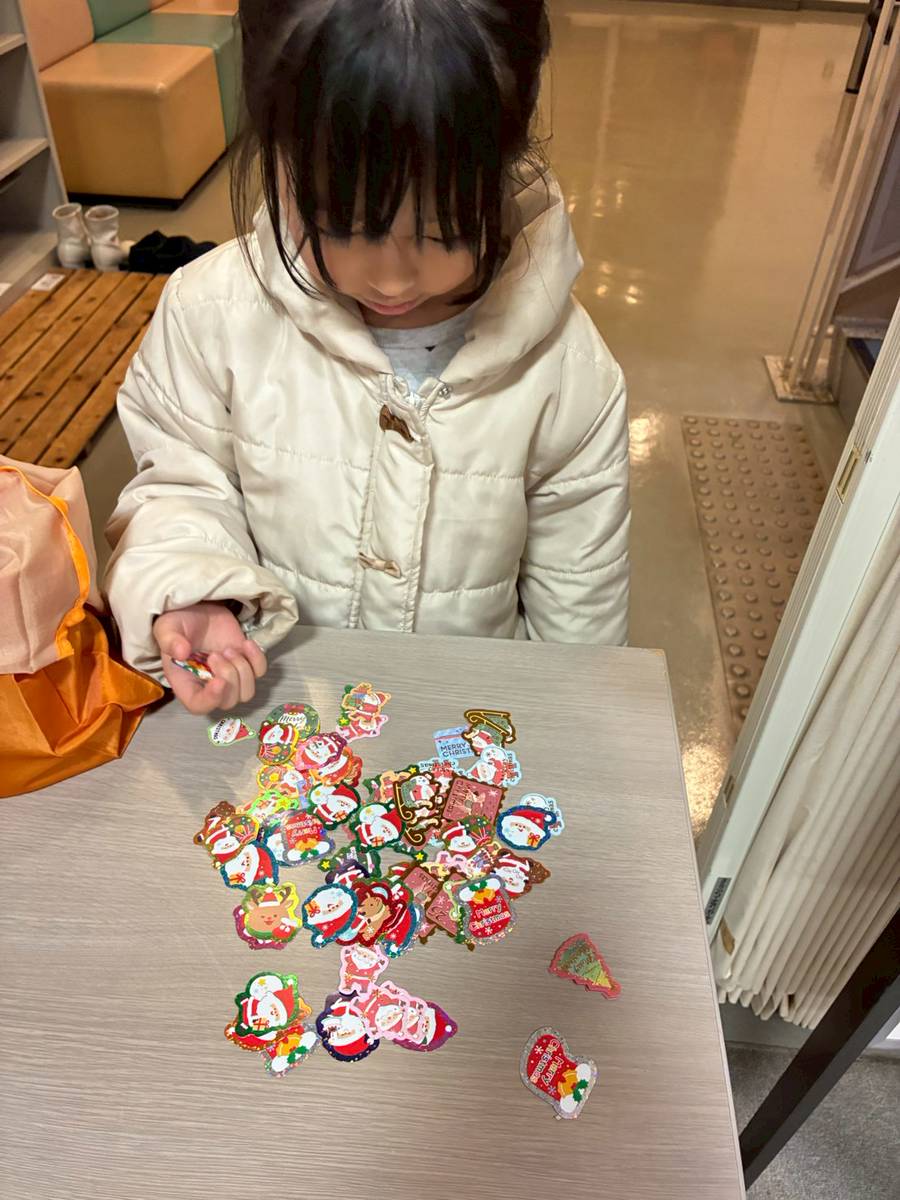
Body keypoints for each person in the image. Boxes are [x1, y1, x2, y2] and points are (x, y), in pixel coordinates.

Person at [105, 0, 630, 715]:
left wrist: (563, 727)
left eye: (444, 231)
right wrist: (194, 588)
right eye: (344, 225)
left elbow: (579, 606)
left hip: (460, 720)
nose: (391, 279)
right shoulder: (210, 314)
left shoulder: (568, 370)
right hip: (279, 710)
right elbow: (180, 483)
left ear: (505, 164)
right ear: (279, 153)